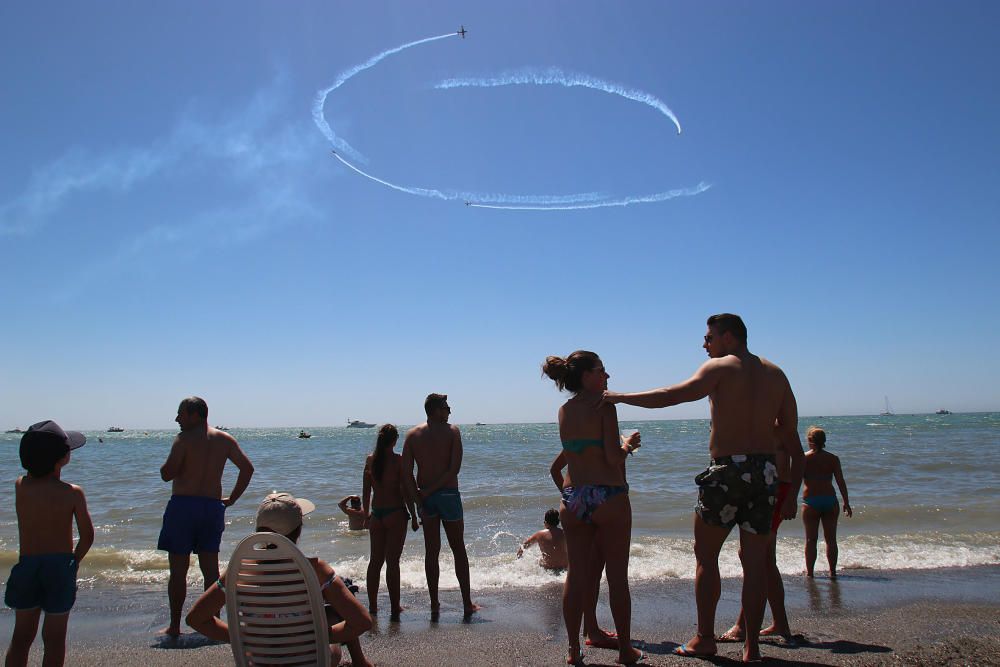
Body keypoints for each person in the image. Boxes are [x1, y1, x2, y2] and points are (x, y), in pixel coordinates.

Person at [602, 314, 803, 663]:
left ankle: (705, 639)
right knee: (756, 564)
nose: (704, 344)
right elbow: (791, 440)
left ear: (727, 337)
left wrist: (619, 397)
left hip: (727, 470)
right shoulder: (776, 374)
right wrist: (792, 492)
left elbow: (672, 395)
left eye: (708, 337)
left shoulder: (720, 368)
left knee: (706, 557)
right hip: (766, 474)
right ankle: (751, 648)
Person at [186, 492, 373, 666]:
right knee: (336, 624)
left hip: (260, 660)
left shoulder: (239, 572)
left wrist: (244, 637)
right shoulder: (317, 570)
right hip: (309, 661)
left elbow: (196, 619)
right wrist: (313, 636)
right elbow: (362, 621)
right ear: (298, 531)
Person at [542, 351, 644, 666]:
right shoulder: (605, 406)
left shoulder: (563, 410)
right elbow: (613, 458)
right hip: (608, 494)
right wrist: (629, 445)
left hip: (574, 497)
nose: (607, 376)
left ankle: (574, 650)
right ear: (587, 375)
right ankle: (625, 651)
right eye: (602, 370)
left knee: (577, 576)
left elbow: (574, 455)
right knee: (616, 577)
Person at [157, 396, 255, 637]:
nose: (177, 419)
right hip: (212, 508)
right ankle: (213, 623)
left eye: (181, 413)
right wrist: (231, 499)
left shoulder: (183, 440)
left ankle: (175, 625)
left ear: (195, 415)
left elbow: (166, 474)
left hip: (183, 507)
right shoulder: (224, 439)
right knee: (210, 570)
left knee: (178, 570)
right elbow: (247, 468)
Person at [4, 420, 94, 667]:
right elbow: (87, 536)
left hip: (27, 565)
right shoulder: (72, 492)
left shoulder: (20, 487)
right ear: (62, 458)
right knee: (54, 639)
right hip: (59, 567)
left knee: (21, 637)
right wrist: (75, 560)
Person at [718, 423, 803, 644]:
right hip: (765, 489)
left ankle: (743, 626)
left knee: (755, 556)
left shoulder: (780, 425)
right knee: (764, 558)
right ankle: (780, 623)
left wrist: (792, 497)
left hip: (777, 490)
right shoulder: (758, 423)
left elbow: (798, 458)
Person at [401, 393, 480, 617]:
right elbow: (453, 470)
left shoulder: (412, 435)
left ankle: (435, 603)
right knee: (458, 549)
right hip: (448, 496)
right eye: (446, 408)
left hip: (427, 500)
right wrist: (429, 492)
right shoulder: (452, 432)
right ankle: (467, 603)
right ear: (436, 410)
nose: (449, 411)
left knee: (431, 552)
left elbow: (406, 474)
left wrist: (419, 498)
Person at [550, 452, 622, 651]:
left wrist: (570, 499)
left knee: (590, 572)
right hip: (605, 503)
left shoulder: (576, 441)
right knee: (594, 572)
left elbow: (554, 469)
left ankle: (590, 628)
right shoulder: (605, 441)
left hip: (582, 503)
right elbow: (619, 475)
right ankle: (592, 629)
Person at [363, 424, 418, 620]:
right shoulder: (398, 461)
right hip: (395, 514)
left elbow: (366, 490)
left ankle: (372, 606)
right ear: (394, 441)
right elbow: (406, 491)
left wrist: (365, 515)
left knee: (374, 563)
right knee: (392, 563)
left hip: (376, 515)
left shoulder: (371, 460)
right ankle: (395, 607)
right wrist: (413, 515)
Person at [801, 426, 852, 578]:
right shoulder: (833, 459)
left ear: (810, 441)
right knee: (831, 540)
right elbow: (840, 482)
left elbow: (795, 481)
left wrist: (788, 501)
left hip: (811, 502)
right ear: (824, 441)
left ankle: (810, 573)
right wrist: (846, 502)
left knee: (811, 540)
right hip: (830, 500)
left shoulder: (804, 458)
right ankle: (832, 572)